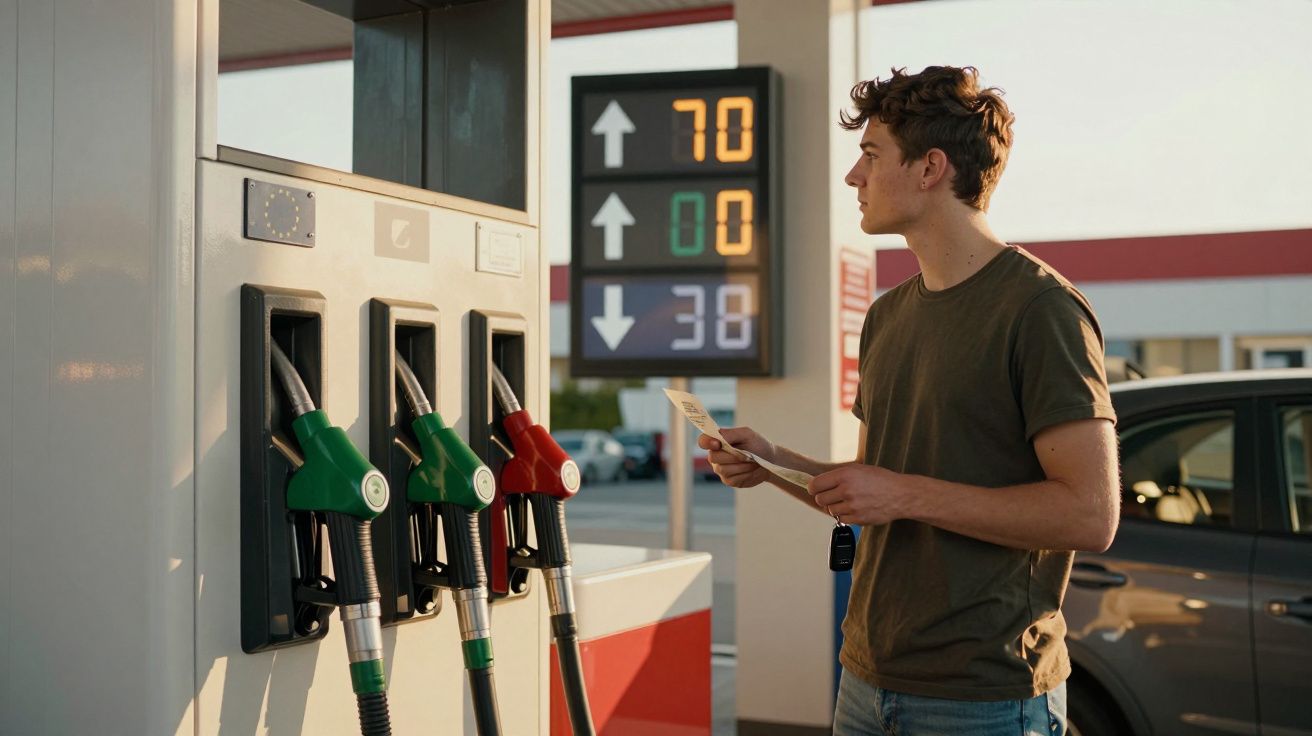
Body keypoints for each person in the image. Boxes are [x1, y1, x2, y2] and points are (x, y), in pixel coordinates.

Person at [700, 66, 1119, 736]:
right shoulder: (888, 315)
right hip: (867, 677)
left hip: (984, 696)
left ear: (930, 168)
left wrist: (904, 494)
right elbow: (878, 488)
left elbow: (1090, 514)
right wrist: (776, 463)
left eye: (870, 155)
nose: (853, 178)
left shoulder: (1042, 309)